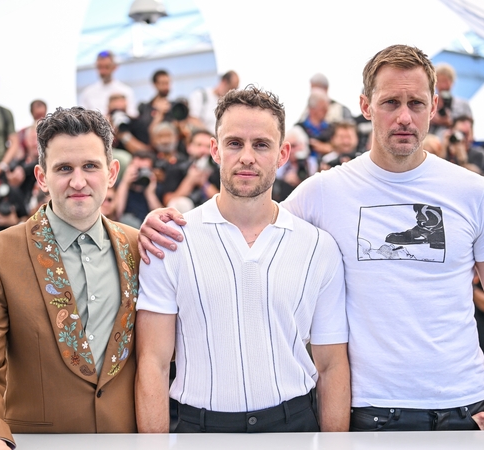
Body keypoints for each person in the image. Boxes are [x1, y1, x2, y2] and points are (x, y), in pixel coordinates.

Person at [139, 44, 484, 432]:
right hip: (369, 411)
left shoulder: (475, 193)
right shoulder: (324, 191)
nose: (404, 117)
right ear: (365, 105)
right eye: (391, 102)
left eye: (416, 103)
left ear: (435, 106)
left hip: (463, 407)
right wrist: (164, 221)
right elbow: (250, 217)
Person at [135, 86, 349, 434]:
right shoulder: (171, 241)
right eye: (235, 143)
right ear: (215, 150)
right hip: (198, 429)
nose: (247, 156)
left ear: (282, 154)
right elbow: (153, 363)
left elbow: (332, 365)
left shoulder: (318, 247)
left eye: (261, 145)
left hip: (293, 426)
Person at [0, 107, 140, 450]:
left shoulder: (141, 247)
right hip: (34, 444)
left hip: (126, 441)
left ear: (111, 172)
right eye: (64, 169)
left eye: (90, 166)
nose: (78, 181)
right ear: (41, 177)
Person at [78, 50, 138, 117]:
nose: (103, 71)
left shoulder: (126, 91)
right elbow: (82, 117)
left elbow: (132, 115)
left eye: (106, 67)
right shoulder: (87, 93)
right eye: (100, 67)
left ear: (115, 67)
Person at [429, 63, 473, 135]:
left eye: (446, 81)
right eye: (440, 81)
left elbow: (469, 131)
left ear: (452, 82)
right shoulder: (429, 104)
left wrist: (451, 123)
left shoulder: (463, 105)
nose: (443, 85)